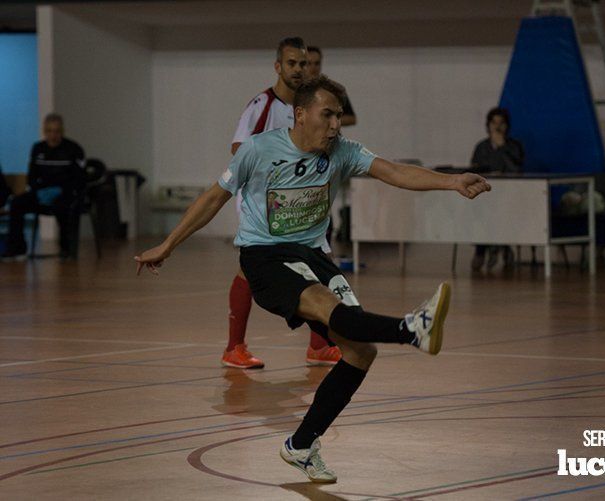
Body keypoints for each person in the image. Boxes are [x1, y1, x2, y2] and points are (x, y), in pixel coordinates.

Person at [135, 75, 491, 483]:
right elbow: (214, 197)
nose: (337, 124)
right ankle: (412, 329)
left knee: (360, 353)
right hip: (265, 258)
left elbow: (393, 171)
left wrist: (452, 181)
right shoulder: (258, 149)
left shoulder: (342, 151)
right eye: (328, 114)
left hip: (314, 256)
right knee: (331, 310)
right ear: (301, 115)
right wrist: (168, 245)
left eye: (339, 115)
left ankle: (302, 444)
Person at [226, 37, 340, 370]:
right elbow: (238, 149)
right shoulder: (262, 105)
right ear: (278, 66)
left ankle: (319, 345)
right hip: (264, 202)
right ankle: (234, 347)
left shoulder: (309, 106)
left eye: (304, 63)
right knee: (249, 269)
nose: (299, 69)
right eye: (292, 63)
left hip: (300, 202)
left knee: (317, 263)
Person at [1, 113, 85, 260]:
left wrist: (62, 190)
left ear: (62, 131)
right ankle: (17, 249)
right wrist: (37, 190)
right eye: (50, 131)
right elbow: (32, 175)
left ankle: (66, 248)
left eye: (57, 131)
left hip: (64, 193)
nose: (53, 135)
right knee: (17, 203)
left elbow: (79, 179)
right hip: (41, 192)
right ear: (45, 131)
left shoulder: (73, 149)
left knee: (64, 207)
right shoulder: (38, 148)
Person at [470, 107, 523, 272]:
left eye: (501, 123)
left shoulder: (514, 146)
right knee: (480, 212)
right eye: (494, 123)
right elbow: (473, 170)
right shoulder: (481, 147)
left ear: (507, 126)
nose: (497, 127)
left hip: (508, 195)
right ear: (488, 125)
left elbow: (517, 170)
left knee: (502, 211)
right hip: (485, 195)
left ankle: (503, 246)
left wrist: (502, 149)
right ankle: (481, 249)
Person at [305, 46, 356, 126]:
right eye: (309, 63)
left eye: (317, 63)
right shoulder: (294, 90)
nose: (313, 68)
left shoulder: (333, 89)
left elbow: (351, 118)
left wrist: (326, 120)